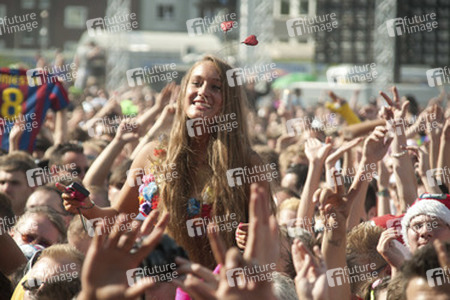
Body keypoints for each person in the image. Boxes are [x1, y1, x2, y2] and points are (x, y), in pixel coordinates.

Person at [62, 55, 273, 269]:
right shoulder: (151, 154)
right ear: (183, 93)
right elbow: (119, 215)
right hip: (159, 283)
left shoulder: (248, 164)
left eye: (216, 87)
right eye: (197, 83)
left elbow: (268, 235)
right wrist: (87, 208)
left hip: (215, 286)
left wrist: (252, 237)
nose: (203, 92)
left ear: (230, 102)